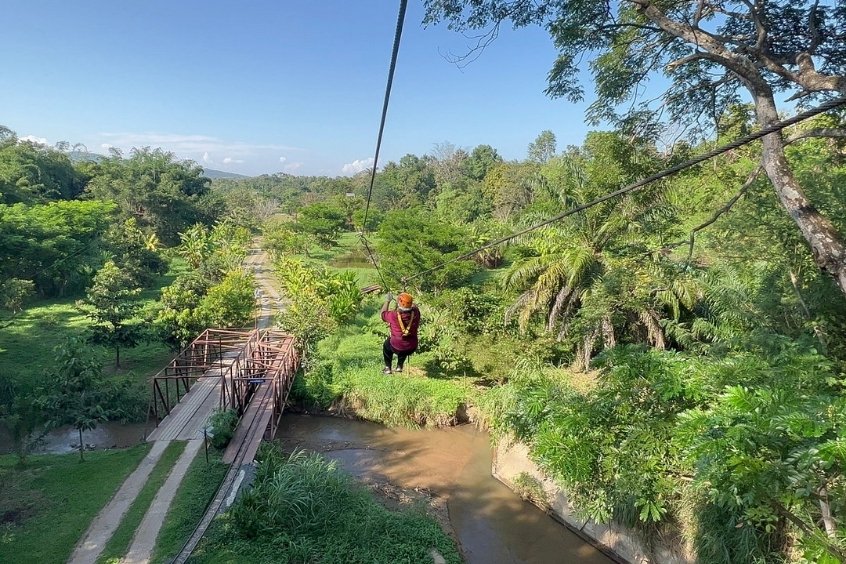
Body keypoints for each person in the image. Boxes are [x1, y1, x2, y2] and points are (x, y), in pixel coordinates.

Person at [380, 291, 420, 374]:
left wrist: (387, 301)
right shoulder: (416, 313)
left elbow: (383, 314)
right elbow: (414, 306)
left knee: (387, 346)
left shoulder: (393, 315)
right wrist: (407, 298)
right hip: (412, 347)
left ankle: (388, 368)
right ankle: (399, 366)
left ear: (399, 303)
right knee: (405, 345)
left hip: (396, 346)